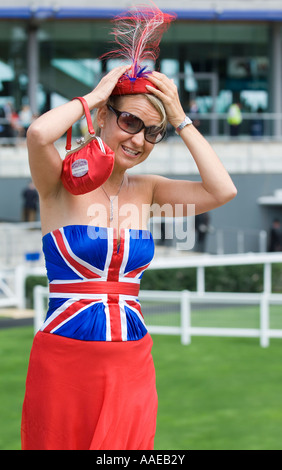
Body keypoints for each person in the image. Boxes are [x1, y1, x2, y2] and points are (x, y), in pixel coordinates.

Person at [21, 8, 237, 451]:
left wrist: (180, 119)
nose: (138, 139)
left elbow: (222, 190)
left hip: (132, 363)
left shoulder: (150, 190)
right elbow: (39, 133)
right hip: (65, 362)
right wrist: (96, 93)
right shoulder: (59, 183)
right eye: (129, 122)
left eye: (152, 132)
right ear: (104, 117)